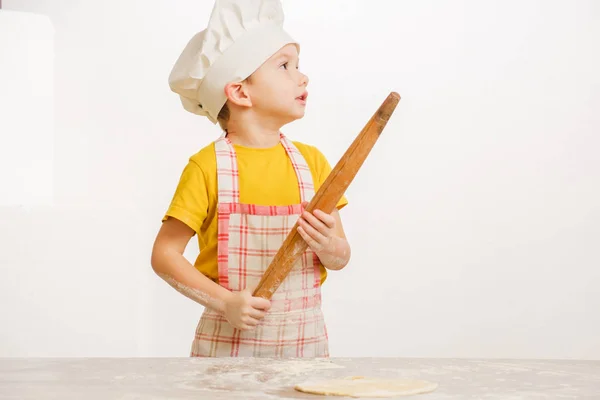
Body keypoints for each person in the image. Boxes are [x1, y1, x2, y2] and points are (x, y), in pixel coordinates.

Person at [150, 0, 351, 358]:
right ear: (240, 91)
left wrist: (328, 246)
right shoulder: (207, 167)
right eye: (284, 66)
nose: (302, 77)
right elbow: (165, 255)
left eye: (298, 66)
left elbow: (339, 258)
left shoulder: (314, 163)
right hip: (227, 352)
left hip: (303, 350)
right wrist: (226, 303)